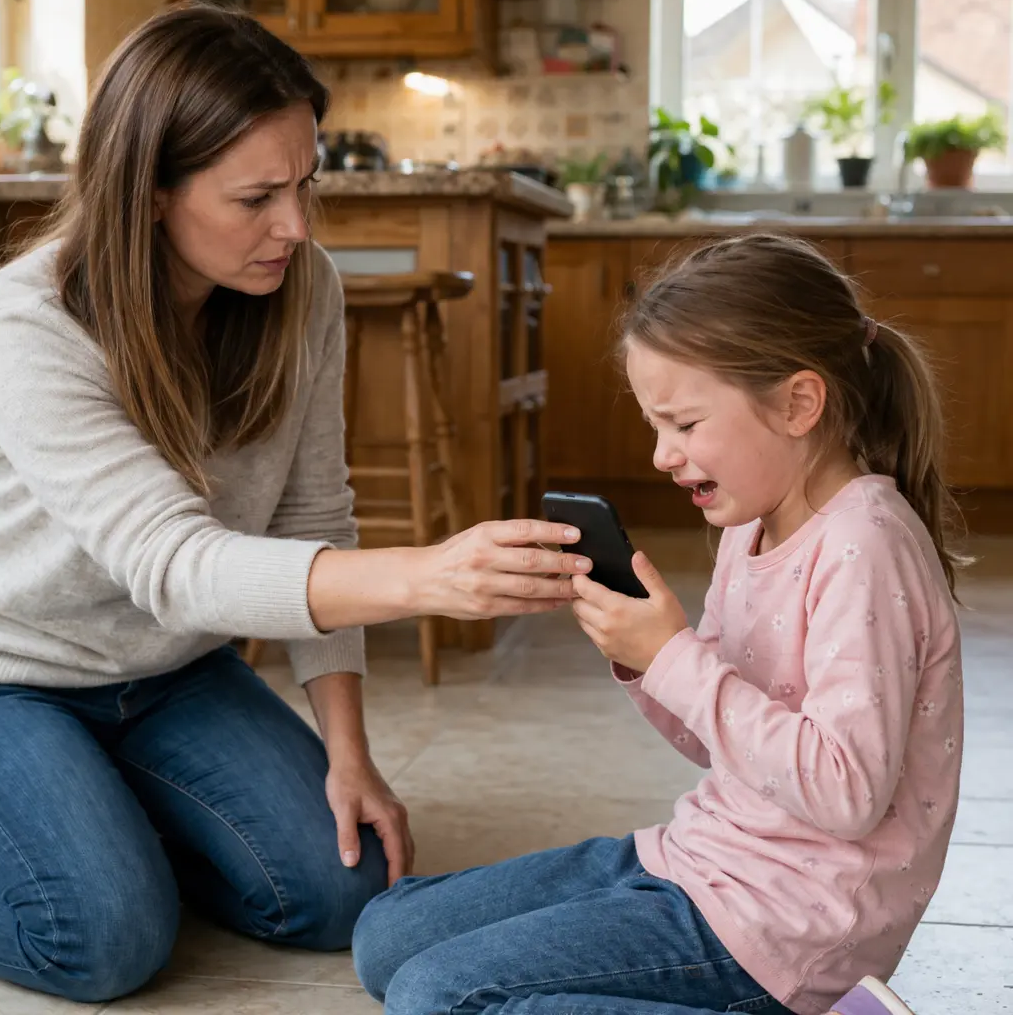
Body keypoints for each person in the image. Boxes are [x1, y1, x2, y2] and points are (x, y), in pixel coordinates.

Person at [0, 3, 590, 1005]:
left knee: (343, 890)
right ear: (147, 192)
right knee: (97, 942)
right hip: (11, 671)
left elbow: (313, 515)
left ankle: (103, 811)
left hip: (171, 671)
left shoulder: (300, 290)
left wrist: (349, 754)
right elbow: (175, 563)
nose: (297, 227)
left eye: (305, 182)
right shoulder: (27, 324)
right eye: (256, 196)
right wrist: (428, 574)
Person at [351, 233, 965, 1015]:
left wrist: (677, 658)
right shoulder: (750, 523)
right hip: (695, 860)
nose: (660, 456)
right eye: (654, 425)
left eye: (682, 424)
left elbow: (845, 793)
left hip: (790, 927)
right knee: (388, 936)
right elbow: (721, 744)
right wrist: (643, 660)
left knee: (436, 993)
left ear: (798, 404)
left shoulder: (864, 544)